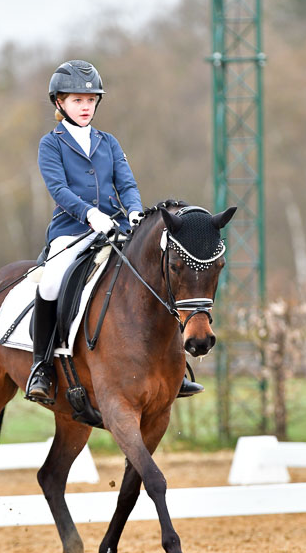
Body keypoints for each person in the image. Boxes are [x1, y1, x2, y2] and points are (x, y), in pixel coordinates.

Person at [26, 59, 203, 403]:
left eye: (90, 100)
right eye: (78, 100)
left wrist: (135, 213)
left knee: (157, 273)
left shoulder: (108, 142)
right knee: (50, 282)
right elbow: (58, 189)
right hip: (72, 230)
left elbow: (127, 183)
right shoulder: (52, 144)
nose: (85, 106)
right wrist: (91, 215)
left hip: (117, 227)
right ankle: (43, 367)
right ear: (59, 102)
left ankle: (175, 368)